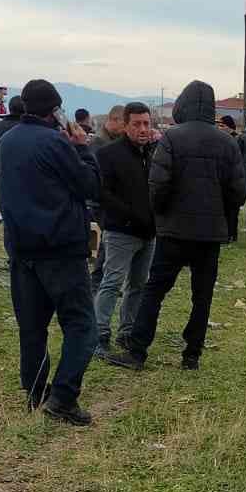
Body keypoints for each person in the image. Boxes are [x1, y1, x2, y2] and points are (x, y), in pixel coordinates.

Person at [109, 81, 246, 373]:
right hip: (210, 234)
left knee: (154, 290)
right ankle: (191, 355)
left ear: (183, 105)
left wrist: (161, 215)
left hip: (173, 231)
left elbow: (157, 186)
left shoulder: (172, 139)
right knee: (202, 295)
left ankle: (137, 351)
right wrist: (222, 214)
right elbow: (238, 192)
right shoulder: (228, 142)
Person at [0, 79, 101, 425]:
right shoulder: (56, 142)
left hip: (21, 250)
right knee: (82, 325)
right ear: (55, 110)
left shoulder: (7, 139)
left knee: (32, 327)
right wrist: (83, 147)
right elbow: (89, 185)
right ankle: (63, 398)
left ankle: (35, 395)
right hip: (60, 250)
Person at [93, 101, 157, 360]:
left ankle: (127, 330)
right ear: (125, 125)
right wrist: (129, 216)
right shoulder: (109, 154)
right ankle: (98, 334)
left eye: (146, 123)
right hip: (121, 231)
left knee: (138, 285)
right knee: (112, 282)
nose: (143, 129)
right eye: (137, 124)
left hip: (149, 232)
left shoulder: (153, 153)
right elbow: (101, 193)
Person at [89, 106, 127, 290]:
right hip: (100, 200)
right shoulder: (99, 143)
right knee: (106, 241)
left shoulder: (111, 140)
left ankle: (100, 279)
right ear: (115, 120)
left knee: (107, 240)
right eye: (124, 123)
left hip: (108, 199)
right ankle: (98, 280)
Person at [0, 94, 25, 188]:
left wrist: (0, 170)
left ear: (10, 109)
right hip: (23, 181)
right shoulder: (29, 129)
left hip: (0, 179)